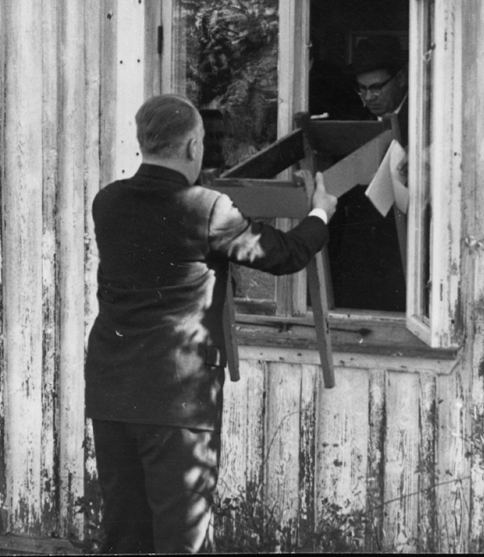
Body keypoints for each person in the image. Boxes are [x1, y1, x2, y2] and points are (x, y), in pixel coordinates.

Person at [86, 94, 337, 553]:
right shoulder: (207, 209)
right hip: (177, 400)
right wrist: (320, 212)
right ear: (192, 146)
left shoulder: (108, 202)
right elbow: (285, 254)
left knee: (124, 538)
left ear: (144, 142)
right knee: (183, 540)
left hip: (112, 392)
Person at [328, 36, 409, 311]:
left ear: (401, 78)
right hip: (362, 255)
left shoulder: (425, 117)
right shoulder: (353, 121)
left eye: (376, 87)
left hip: (408, 253)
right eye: (362, 89)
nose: (369, 97)